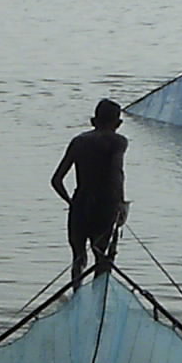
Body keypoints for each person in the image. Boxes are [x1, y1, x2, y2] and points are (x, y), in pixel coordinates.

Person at [51, 99, 129, 290]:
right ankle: (97, 299)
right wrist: (120, 205)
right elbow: (115, 173)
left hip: (80, 205)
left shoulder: (79, 141)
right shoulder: (118, 141)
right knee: (102, 258)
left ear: (93, 121)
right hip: (105, 206)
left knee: (78, 259)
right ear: (117, 124)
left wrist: (71, 202)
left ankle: (76, 296)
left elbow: (56, 180)